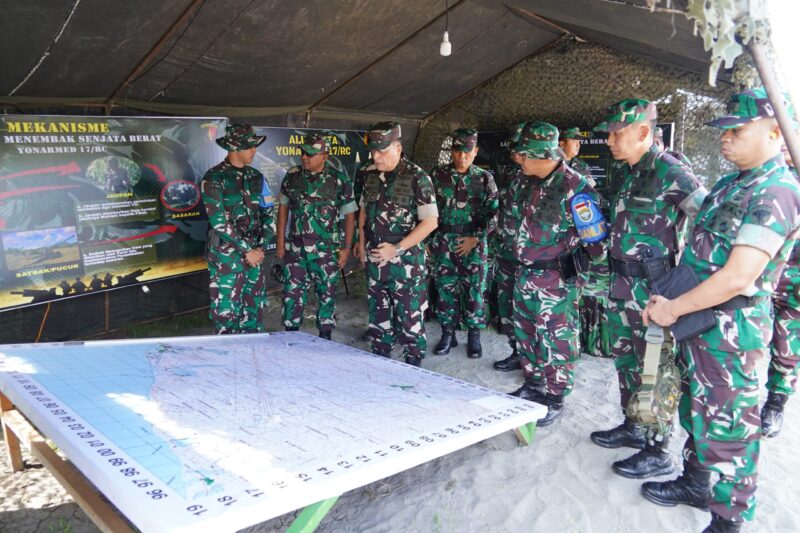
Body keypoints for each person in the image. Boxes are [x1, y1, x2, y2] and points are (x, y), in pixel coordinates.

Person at [640, 88, 800, 533]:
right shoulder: (734, 183)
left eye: (737, 130)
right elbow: (698, 254)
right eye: (723, 131)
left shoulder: (777, 191)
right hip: (699, 321)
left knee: (730, 430)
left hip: (732, 334)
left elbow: (737, 276)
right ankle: (695, 482)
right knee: (697, 410)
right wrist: (668, 300)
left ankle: (729, 520)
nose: (725, 140)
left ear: (774, 131)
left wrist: (673, 310)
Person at [588, 99, 707, 479]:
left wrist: (686, 280)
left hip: (654, 290)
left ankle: (658, 447)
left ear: (642, 132)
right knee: (627, 361)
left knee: (656, 368)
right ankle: (633, 426)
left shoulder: (671, 171)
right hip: (623, 285)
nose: (609, 140)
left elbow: (709, 223)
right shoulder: (631, 171)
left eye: (616, 133)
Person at [507, 121, 606, 426]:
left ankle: (555, 395)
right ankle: (534, 382)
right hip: (524, 275)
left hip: (556, 281)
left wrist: (581, 280)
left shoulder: (576, 189)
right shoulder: (523, 182)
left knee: (556, 338)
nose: (519, 160)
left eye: (524, 155)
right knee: (525, 333)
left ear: (542, 154)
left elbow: (596, 244)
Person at [356, 122, 438, 366]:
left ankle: (413, 363)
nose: (376, 156)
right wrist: (361, 245)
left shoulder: (417, 177)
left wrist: (397, 248)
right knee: (378, 314)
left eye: (381, 151)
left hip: (406, 262)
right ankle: (381, 355)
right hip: (375, 256)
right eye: (373, 151)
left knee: (409, 317)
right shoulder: (369, 174)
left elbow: (430, 222)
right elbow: (363, 211)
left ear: (398, 148)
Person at [276, 134, 356, 339]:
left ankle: (325, 337)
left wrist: (346, 248)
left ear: (324, 156)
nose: (305, 157)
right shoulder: (292, 176)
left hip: (326, 251)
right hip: (296, 249)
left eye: (311, 154)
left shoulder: (339, 179)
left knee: (327, 294)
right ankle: (291, 336)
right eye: (303, 152)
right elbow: (283, 208)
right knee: (291, 294)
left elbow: (349, 215)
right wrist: (280, 241)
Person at [430, 128, 498, 358]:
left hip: (474, 243)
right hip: (444, 242)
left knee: (475, 290)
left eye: (467, 152)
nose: (462, 157)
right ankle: (447, 334)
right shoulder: (437, 176)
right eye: (457, 151)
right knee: (445, 289)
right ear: (451, 151)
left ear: (475, 151)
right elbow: (426, 211)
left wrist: (476, 238)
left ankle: (474, 337)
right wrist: (430, 240)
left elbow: (495, 214)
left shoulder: (484, 178)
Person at [201, 123, 275, 334]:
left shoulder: (257, 178)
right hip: (227, 260)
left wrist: (259, 248)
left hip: (255, 258)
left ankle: (251, 362)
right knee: (226, 317)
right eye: (249, 147)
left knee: (252, 315)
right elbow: (219, 222)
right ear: (234, 148)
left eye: (254, 146)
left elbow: (268, 216)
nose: (254, 151)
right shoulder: (213, 178)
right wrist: (247, 251)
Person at [760, 131, 800, 438]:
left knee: (787, 344)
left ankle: (775, 402)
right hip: (758, 272)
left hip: (794, 278)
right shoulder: (763, 174)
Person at [492, 123, 535, 374]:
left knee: (530, 311)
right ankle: (517, 352)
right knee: (507, 306)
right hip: (507, 253)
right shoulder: (511, 174)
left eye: (521, 149)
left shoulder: (546, 177)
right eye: (514, 149)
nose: (516, 154)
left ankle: (535, 361)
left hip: (531, 259)